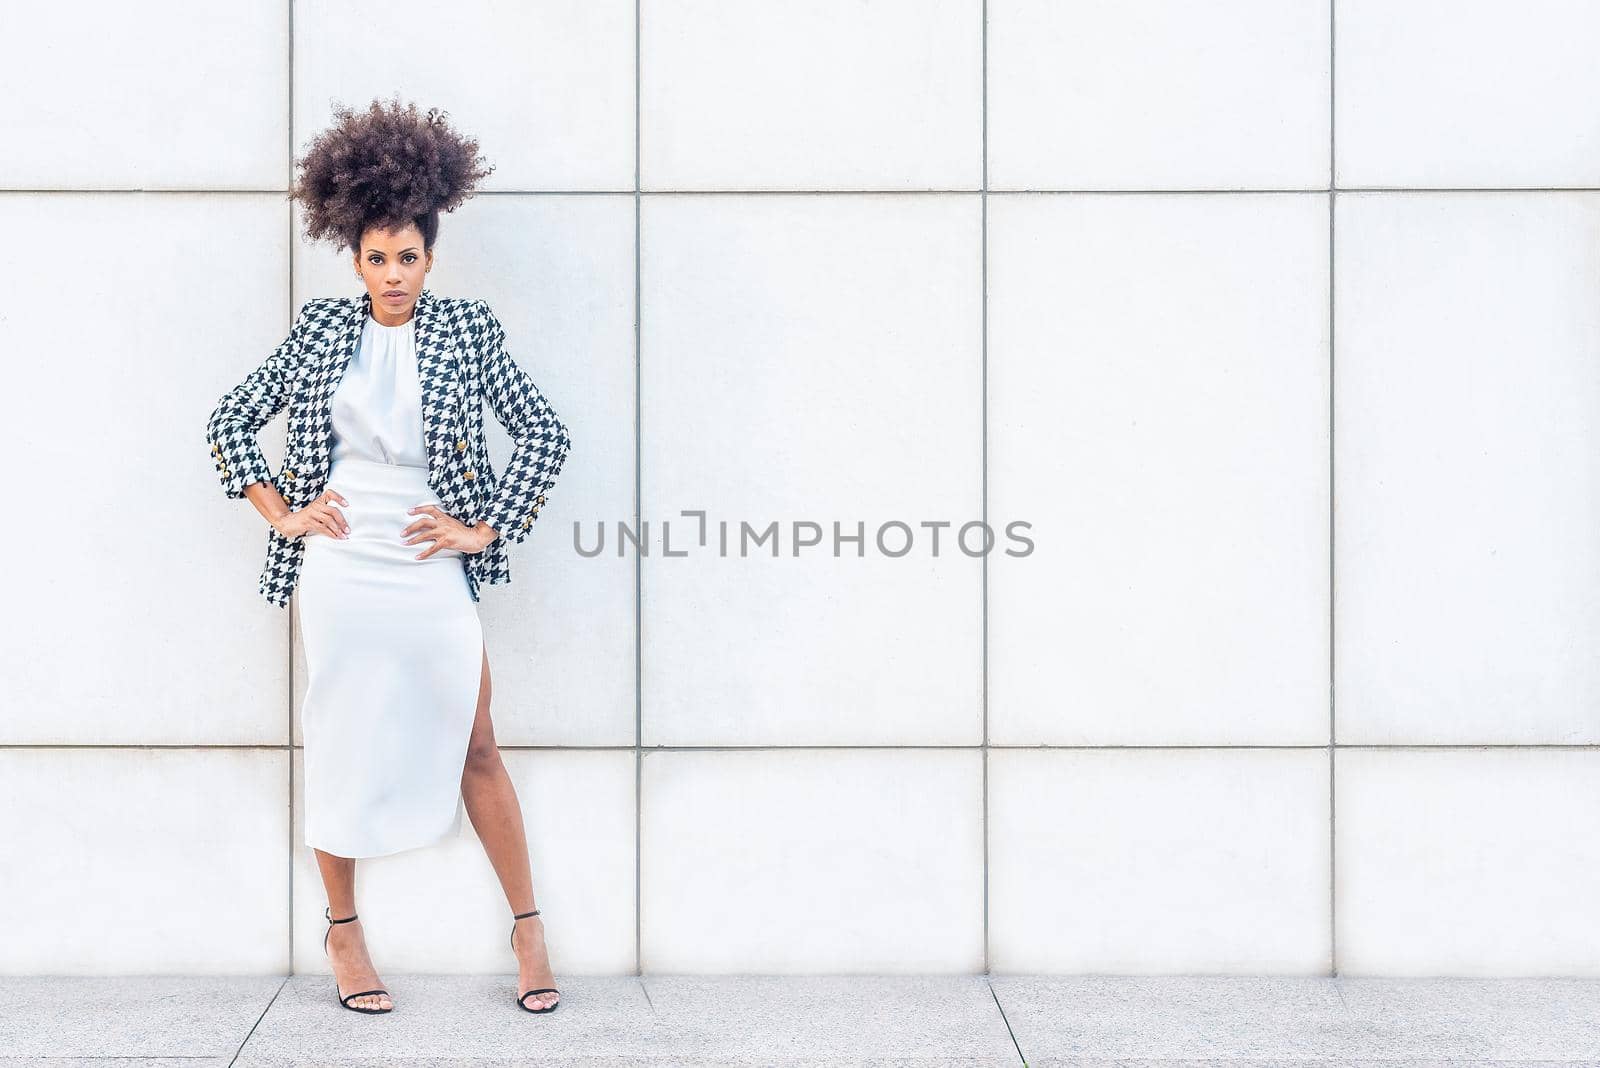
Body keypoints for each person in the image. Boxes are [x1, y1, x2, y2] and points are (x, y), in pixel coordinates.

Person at [204, 96, 572, 1016]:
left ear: (431, 256)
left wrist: (483, 528)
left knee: (476, 740)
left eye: (409, 257)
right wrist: (282, 513)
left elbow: (543, 432)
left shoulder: (466, 329)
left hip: (426, 564)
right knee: (339, 739)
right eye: (377, 258)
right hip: (339, 564)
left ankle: (528, 927)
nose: (394, 274)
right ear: (355, 257)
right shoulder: (325, 332)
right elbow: (229, 422)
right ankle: (344, 932)